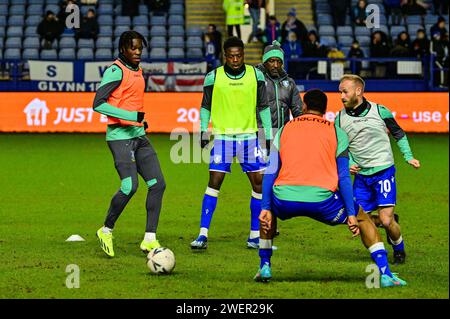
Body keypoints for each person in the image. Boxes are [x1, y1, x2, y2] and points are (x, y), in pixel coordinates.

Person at [254, 89, 407, 288]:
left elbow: (270, 171)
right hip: (322, 200)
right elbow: (343, 177)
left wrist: (265, 207)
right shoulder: (336, 132)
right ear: (325, 111)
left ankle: (265, 265)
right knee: (363, 218)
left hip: (285, 198)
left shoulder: (284, 129)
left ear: (304, 107)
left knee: (268, 215)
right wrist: (351, 213)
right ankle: (385, 274)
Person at [191, 37, 273, 250]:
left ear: (243, 55)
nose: (235, 60)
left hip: (249, 138)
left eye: (239, 55)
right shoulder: (213, 77)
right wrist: (203, 130)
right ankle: (202, 234)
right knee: (214, 181)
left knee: (258, 183)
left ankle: (254, 236)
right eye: (231, 56)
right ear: (224, 56)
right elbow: (205, 106)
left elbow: (263, 106)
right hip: (223, 138)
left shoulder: (256, 75)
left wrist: (268, 134)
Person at [93, 31, 166, 257]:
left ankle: (149, 240)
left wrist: (140, 121)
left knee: (158, 184)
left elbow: (132, 103)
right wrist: (130, 116)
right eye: (133, 48)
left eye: (140, 49)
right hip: (120, 138)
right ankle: (106, 229)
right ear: (123, 48)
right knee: (129, 187)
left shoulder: (137, 70)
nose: (137, 52)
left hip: (138, 136)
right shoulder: (115, 71)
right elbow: (98, 104)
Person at [335, 74, 420, 265]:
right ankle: (384, 223)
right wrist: (348, 164)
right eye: (340, 92)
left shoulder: (380, 111)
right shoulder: (339, 119)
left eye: (344, 91)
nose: (341, 96)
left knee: (387, 222)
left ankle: (398, 249)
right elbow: (339, 147)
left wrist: (409, 157)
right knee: (358, 220)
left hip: (383, 171)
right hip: (362, 178)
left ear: (358, 91)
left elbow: (398, 134)